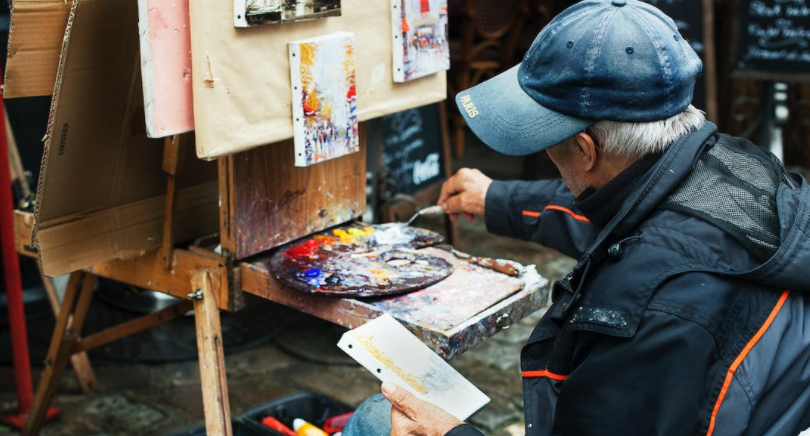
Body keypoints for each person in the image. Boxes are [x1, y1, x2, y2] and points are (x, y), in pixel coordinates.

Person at [342, 0, 810, 435]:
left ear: (586, 149)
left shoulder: (646, 309)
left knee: (375, 418)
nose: (548, 153)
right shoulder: (735, 166)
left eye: (548, 137)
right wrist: (496, 199)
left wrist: (449, 432)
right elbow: (624, 212)